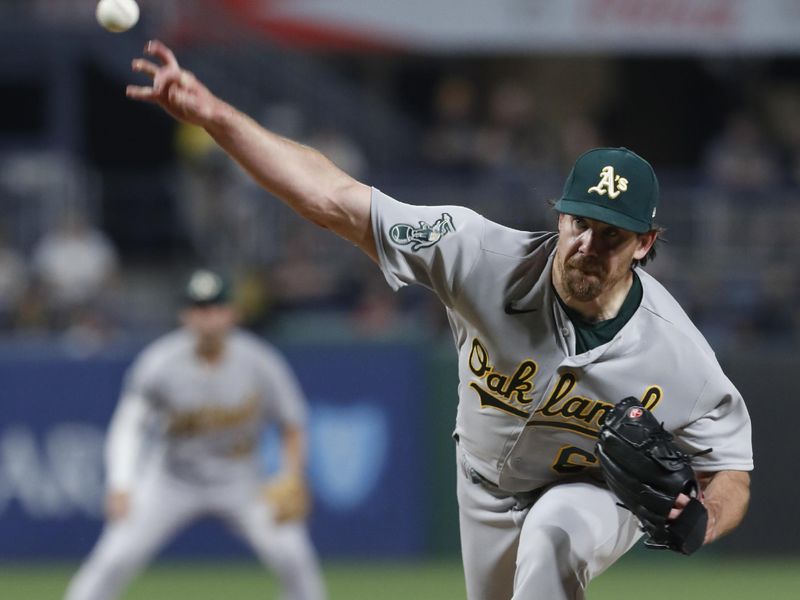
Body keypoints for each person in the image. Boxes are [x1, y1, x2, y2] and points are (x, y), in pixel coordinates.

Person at [126, 41, 753, 600]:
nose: (588, 244)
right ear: (558, 217)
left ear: (644, 244)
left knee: (553, 538)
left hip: (588, 491)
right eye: (579, 222)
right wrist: (216, 117)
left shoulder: (676, 354)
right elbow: (330, 198)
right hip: (482, 484)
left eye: (611, 235)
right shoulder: (475, 254)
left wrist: (705, 519)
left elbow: (731, 471)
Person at [64, 268, 326, 600]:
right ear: (185, 315)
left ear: (233, 313)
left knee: (295, 556)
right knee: (113, 558)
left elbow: (292, 422)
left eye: (216, 307)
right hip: (171, 480)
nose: (209, 317)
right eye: (200, 308)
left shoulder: (260, 362)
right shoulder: (159, 362)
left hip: (241, 480)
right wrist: (121, 483)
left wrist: (292, 474)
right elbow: (128, 426)